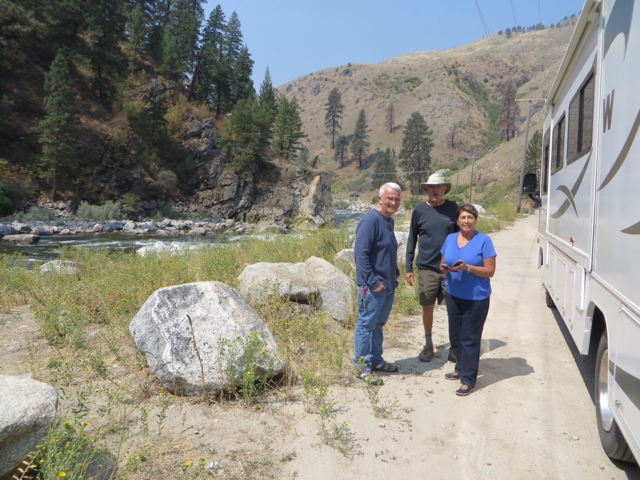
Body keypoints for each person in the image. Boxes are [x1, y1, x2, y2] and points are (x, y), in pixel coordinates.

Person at [440, 204, 496, 396]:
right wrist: (444, 268)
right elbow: (442, 262)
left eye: (470, 217)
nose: (466, 221)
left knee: (470, 339)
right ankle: (460, 367)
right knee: (455, 336)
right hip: (453, 295)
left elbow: (490, 271)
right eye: (463, 217)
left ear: (475, 220)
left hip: (476, 298)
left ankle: (468, 380)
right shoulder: (450, 238)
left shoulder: (484, 241)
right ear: (457, 221)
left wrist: (467, 268)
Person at [405, 172, 459, 362]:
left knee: (454, 308)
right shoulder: (419, 211)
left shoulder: (453, 208)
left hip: (450, 269)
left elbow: (462, 238)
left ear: (444, 189)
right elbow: (412, 239)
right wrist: (408, 268)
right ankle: (428, 345)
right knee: (427, 307)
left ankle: (455, 347)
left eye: (438, 187)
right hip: (426, 268)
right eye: (431, 187)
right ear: (427, 189)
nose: (435, 190)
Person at [353, 182, 402, 385]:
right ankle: (362, 367)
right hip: (373, 287)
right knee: (366, 325)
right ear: (379, 199)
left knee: (378, 325)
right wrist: (373, 282)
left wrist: (395, 274)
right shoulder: (370, 221)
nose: (393, 202)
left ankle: (376, 360)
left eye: (397, 199)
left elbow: (386, 251)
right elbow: (360, 255)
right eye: (389, 198)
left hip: (387, 286)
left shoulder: (388, 220)